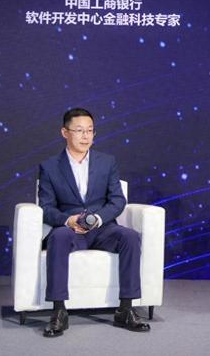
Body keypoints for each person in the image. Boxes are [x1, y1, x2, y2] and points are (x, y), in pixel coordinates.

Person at [38, 108, 150, 337]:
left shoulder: (107, 162)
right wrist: (68, 220)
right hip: (70, 230)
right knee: (58, 237)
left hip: (102, 228)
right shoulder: (49, 167)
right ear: (65, 132)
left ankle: (126, 309)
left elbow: (118, 200)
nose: (85, 136)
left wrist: (99, 218)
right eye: (79, 130)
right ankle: (59, 311)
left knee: (130, 236)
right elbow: (46, 208)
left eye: (90, 131)